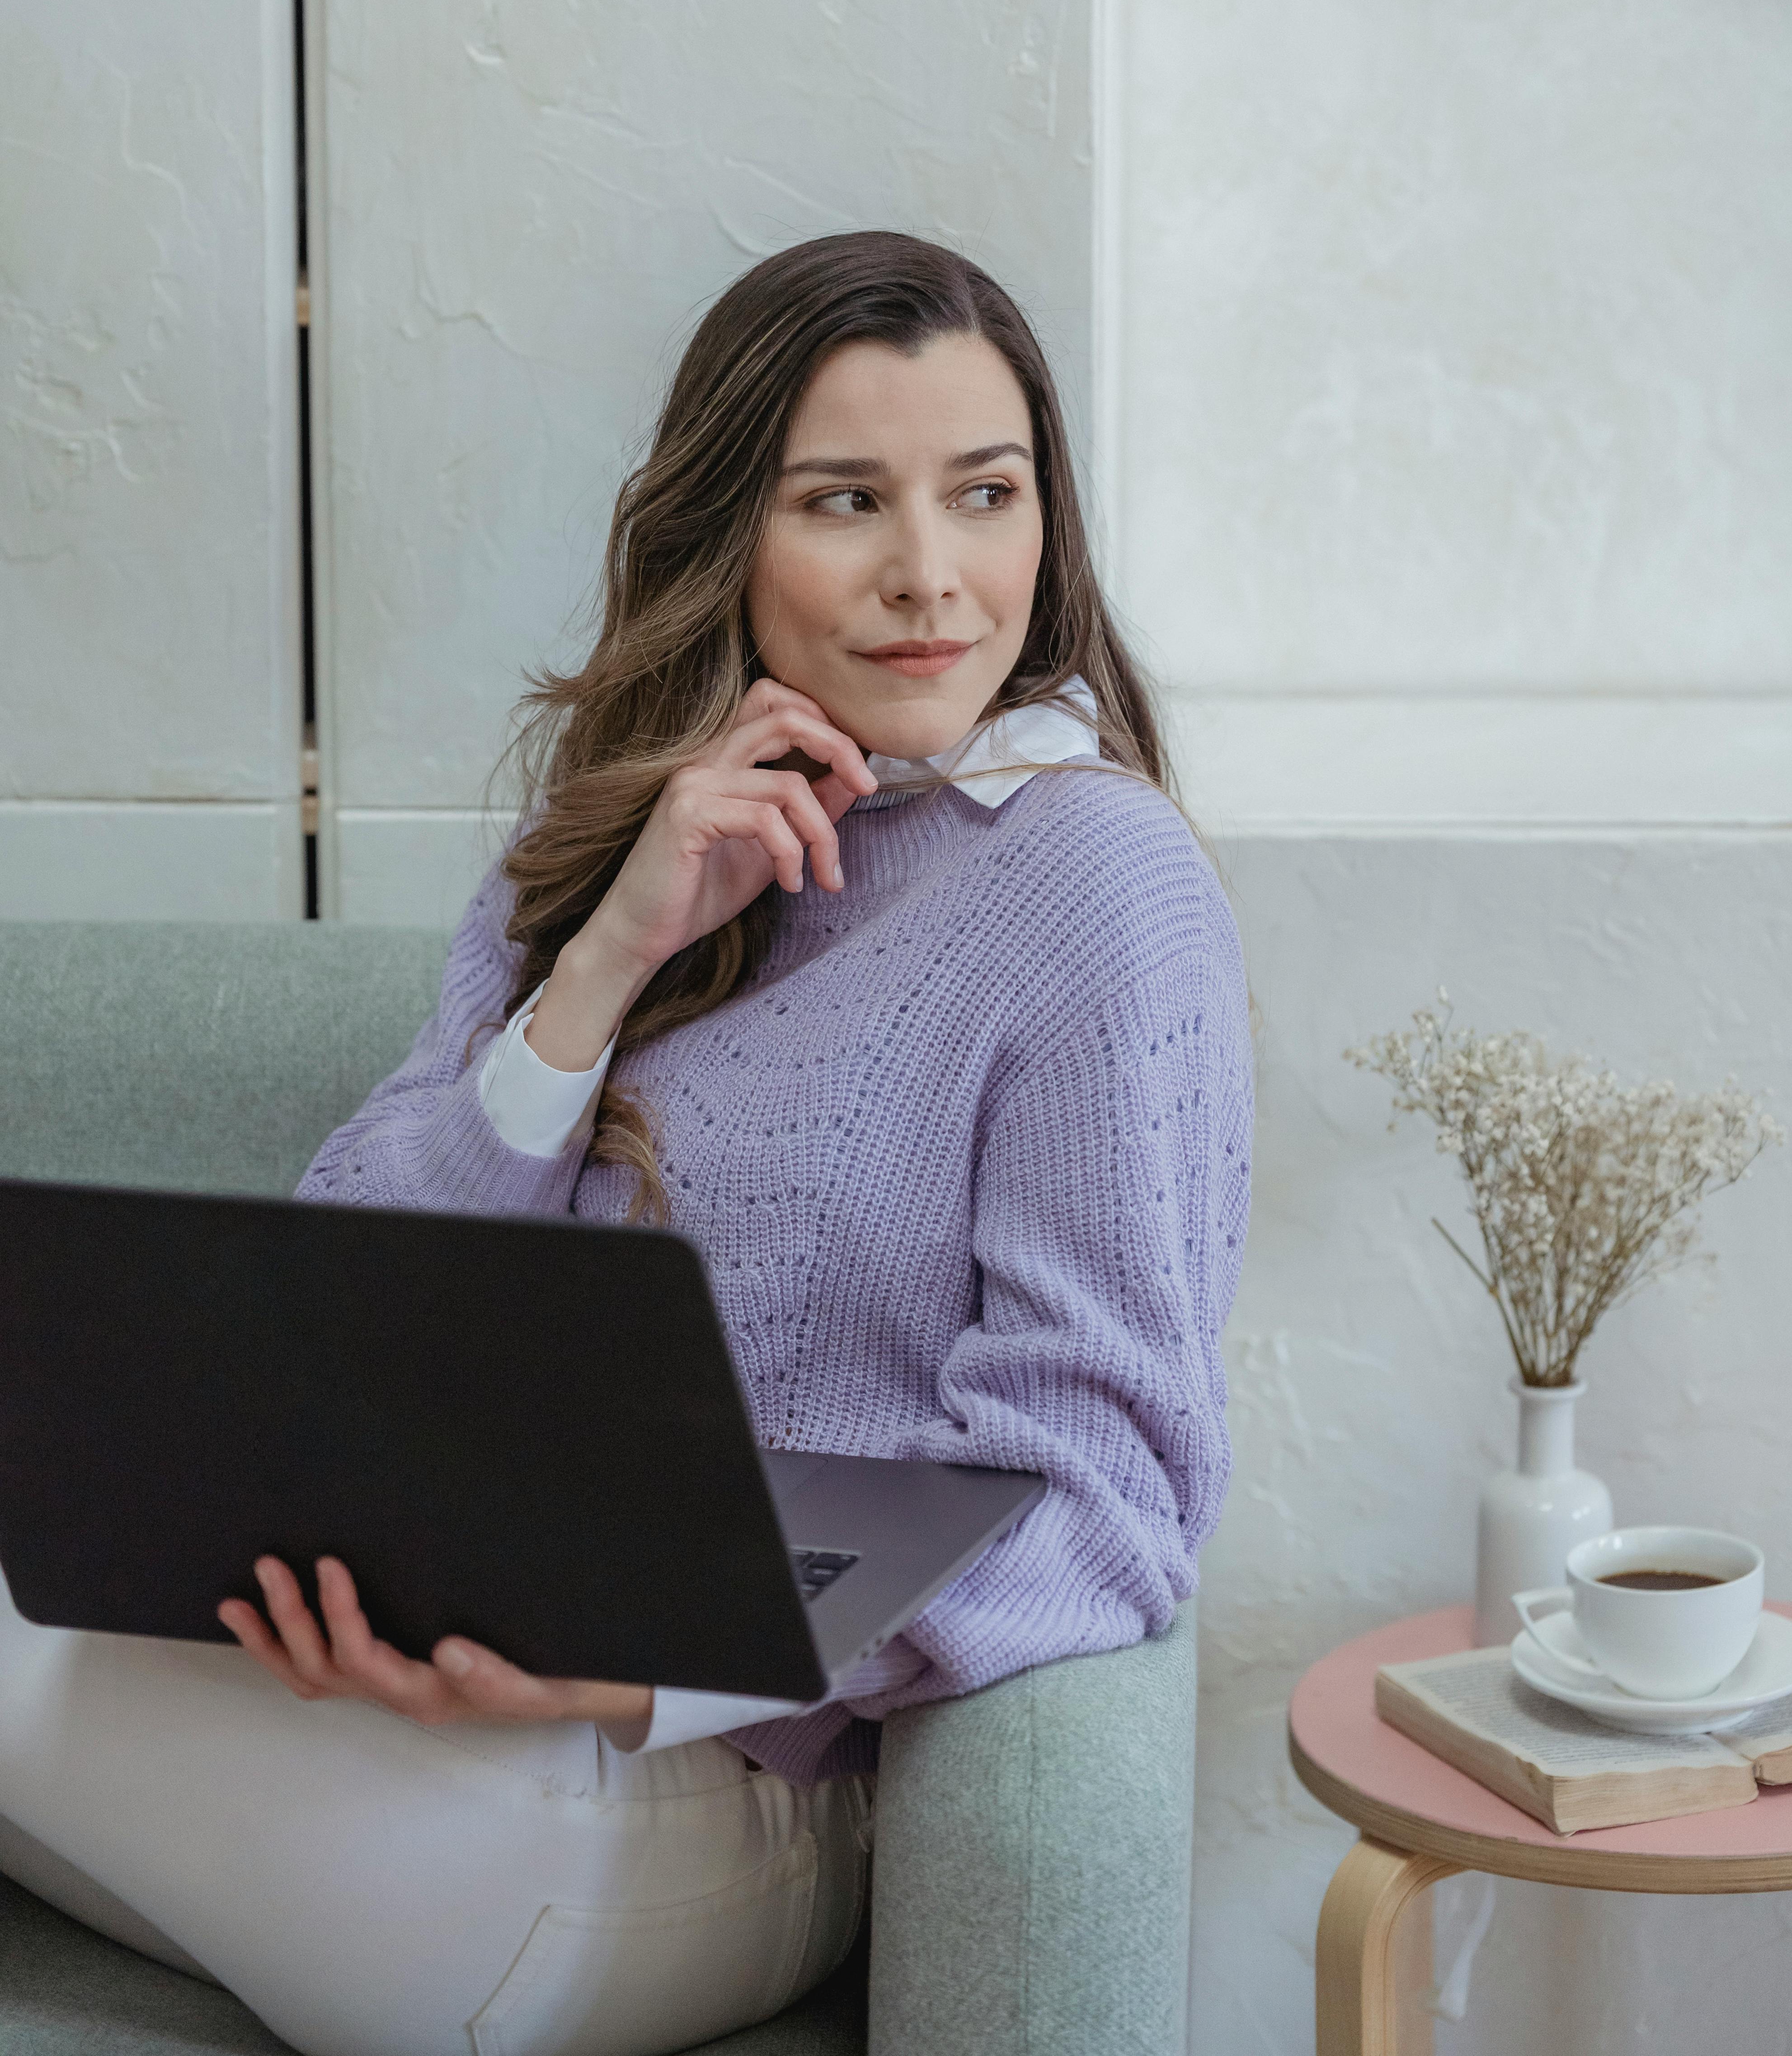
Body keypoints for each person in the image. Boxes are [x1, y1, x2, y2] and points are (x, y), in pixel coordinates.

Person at [0, 232, 1252, 2056]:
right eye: (845, 500)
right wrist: (602, 960)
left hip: (689, 1809)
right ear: (729, 530)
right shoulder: (602, 861)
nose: (929, 577)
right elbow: (344, 1275)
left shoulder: (1091, 877)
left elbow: (1110, 1484)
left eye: (984, 495)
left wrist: (638, 1664)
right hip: (375, 1729)